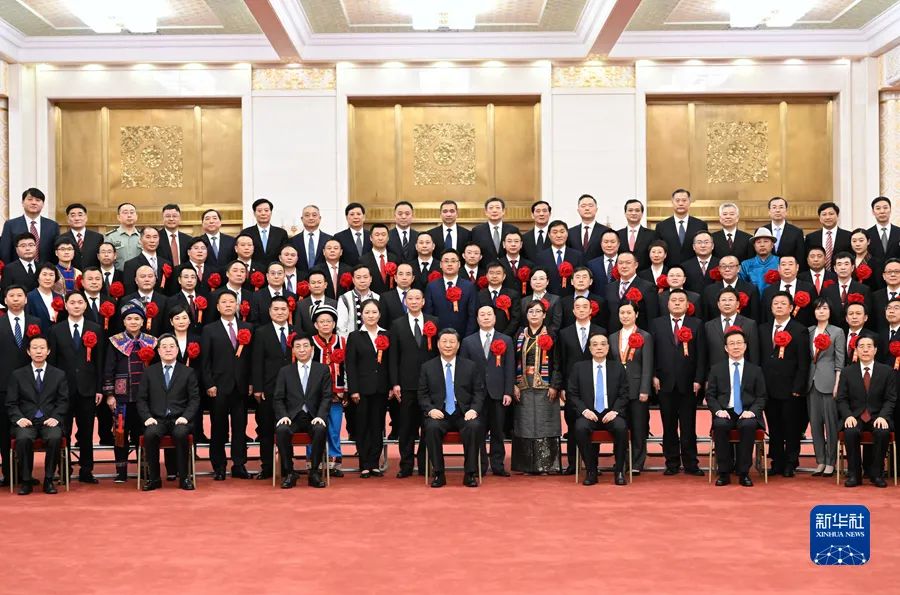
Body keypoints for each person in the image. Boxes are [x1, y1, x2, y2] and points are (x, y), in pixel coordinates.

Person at [47, 291, 104, 484]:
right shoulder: (56, 330)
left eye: (80, 302)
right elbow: (52, 363)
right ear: (66, 305)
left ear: (85, 305)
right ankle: (64, 469)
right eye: (72, 302)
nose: (77, 305)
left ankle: (86, 470)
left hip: (88, 389)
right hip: (63, 390)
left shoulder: (95, 329)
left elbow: (99, 361)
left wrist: (99, 388)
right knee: (63, 431)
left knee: (86, 432)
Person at [418, 328, 486, 488]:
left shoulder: (470, 366)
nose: (448, 345)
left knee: (474, 426)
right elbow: (422, 394)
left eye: (452, 342)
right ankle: (438, 473)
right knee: (431, 427)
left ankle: (470, 473)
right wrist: (430, 410)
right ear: (438, 344)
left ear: (458, 345)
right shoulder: (428, 367)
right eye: (444, 341)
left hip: (463, 413)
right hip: (439, 413)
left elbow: (479, 392)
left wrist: (474, 410)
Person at [651, 288, 707, 476]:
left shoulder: (696, 324)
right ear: (667, 304)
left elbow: (701, 355)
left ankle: (691, 463)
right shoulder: (657, 324)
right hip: (664, 383)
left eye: (680, 300)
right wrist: (653, 375)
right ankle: (672, 462)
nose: (676, 303)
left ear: (687, 304)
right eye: (673, 300)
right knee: (668, 426)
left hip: (689, 383)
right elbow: (652, 352)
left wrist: (699, 379)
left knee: (688, 426)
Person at [200, 290, 254, 481]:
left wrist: (251, 382)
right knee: (218, 428)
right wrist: (209, 384)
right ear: (217, 307)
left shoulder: (248, 327)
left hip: (241, 386)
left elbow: (252, 359)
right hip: (218, 387)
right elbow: (205, 361)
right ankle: (219, 466)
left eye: (232, 301)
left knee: (240, 428)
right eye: (224, 302)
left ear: (238, 305)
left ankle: (239, 464)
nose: (228, 305)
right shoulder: (209, 329)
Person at [103, 299, 158, 483]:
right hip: (121, 398)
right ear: (124, 321)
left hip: (144, 397)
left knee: (143, 433)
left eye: (136, 318)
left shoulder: (151, 341)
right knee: (120, 434)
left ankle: (145, 469)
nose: (133, 321)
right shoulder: (115, 341)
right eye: (129, 318)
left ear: (143, 321)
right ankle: (121, 471)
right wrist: (110, 395)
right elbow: (108, 368)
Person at [136, 333, 200, 491]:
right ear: (158, 351)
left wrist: (186, 417)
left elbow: (194, 399)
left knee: (181, 434)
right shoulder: (149, 372)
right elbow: (141, 399)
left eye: (172, 346)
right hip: (157, 419)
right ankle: (154, 479)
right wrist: (147, 417)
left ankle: (184, 478)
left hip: (180, 419)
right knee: (150, 434)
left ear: (177, 350)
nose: (168, 350)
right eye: (164, 347)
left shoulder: (188, 372)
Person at [6, 335, 68, 495]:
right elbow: (11, 403)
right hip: (26, 421)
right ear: (28, 351)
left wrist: (56, 417)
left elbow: (63, 401)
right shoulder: (17, 375)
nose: (38, 351)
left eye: (42, 348)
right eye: (34, 348)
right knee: (23, 438)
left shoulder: (59, 374)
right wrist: (19, 418)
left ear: (48, 351)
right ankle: (26, 480)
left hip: (49, 420)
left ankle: (49, 479)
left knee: (55, 437)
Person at [706, 328, 767, 487]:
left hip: (746, 412)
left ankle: (743, 472)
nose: (736, 346)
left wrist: (752, 412)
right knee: (720, 425)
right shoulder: (716, 369)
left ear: (745, 346)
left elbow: (761, 396)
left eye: (739, 343)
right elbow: (710, 395)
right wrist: (718, 410)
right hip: (725, 411)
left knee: (748, 425)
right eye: (732, 343)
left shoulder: (755, 370)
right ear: (726, 348)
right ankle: (724, 472)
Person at [568, 333, 630, 485]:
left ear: (608, 347)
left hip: (611, 413)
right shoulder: (579, 367)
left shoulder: (618, 367)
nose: (599, 347)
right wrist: (584, 411)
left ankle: (619, 471)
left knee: (621, 427)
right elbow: (572, 394)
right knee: (580, 427)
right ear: (590, 348)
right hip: (589, 413)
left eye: (603, 344)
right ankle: (591, 471)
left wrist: (615, 411)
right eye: (595, 344)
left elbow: (624, 393)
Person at [759, 291, 810, 477]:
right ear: (771, 307)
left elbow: (803, 362)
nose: (779, 306)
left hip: (790, 388)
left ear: (790, 308)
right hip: (768, 387)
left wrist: (798, 387)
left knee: (791, 427)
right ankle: (777, 461)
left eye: (783, 303)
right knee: (774, 427)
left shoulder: (799, 330)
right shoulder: (763, 329)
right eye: (776, 303)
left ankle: (791, 462)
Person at [460, 305, 515, 476]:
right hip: (476, 395)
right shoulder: (468, 341)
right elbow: (463, 369)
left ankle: (498, 465)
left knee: (498, 431)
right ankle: (479, 465)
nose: (486, 317)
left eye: (489, 314)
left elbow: (509, 368)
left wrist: (508, 391)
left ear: (495, 318)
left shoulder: (505, 340)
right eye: (482, 314)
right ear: (477, 319)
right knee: (478, 431)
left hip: (498, 393)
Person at [388, 290, 437, 477]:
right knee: (407, 427)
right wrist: (395, 383)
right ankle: (406, 465)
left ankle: (425, 464)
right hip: (406, 384)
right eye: (410, 299)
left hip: (430, 384)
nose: (414, 302)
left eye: (417, 298)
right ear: (405, 302)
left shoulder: (434, 321)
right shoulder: (397, 324)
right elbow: (393, 357)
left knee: (428, 426)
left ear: (423, 301)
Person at [836, 336, 896, 488]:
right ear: (856, 350)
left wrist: (883, 416)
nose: (865, 349)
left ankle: (877, 474)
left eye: (869, 346)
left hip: (877, 416)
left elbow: (890, 399)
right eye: (861, 346)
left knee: (882, 432)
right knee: (850, 431)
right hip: (855, 416)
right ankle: (854, 475)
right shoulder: (847, 372)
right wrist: (848, 415)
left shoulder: (887, 371)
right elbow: (841, 399)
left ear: (875, 350)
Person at [274, 334, 331, 489]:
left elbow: (327, 396)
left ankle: (314, 472)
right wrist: (283, 415)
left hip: (313, 417)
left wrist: (320, 416)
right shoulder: (285, 371)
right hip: (292, 417)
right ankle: (289, 472)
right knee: (282, 430)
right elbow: (278, 398)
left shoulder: (322, 370)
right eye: (298, 347)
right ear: (293, 350)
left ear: (312, 349)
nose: (302, 350)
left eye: (305, 346)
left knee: (320, 429)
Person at [512, 300, 562, 474]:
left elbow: (558, 362)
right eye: (531, 311)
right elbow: (512, 361)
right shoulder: (520, 334)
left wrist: (555, 385)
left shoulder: (552, 334)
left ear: (544, 314)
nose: (534, 314)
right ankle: (526, 465)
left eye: (538, 311)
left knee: (545, 422)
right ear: (526, 315)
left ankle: (546, 465)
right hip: (523, 383)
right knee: (524, 423)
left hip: (546, 385)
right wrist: (513, 384)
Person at [557, 296, 606, 474]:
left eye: (585, 306)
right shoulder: (564, 333)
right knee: (572, 426)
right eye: (578, 307)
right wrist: (562, 386)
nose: (581, 310)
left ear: (591, 310)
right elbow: (560, 361)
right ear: (573, 311)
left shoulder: (600, 331)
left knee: (593, 422)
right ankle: (573, 464)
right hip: (572, 388)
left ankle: (593, 464)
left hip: (595, 386)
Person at [0, 285, 41, 486]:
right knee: (3, 430)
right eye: (11, 296)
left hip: (29, 386)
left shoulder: (36, 322)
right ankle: (8, 473)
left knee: (27, 428)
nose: (16, 299)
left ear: (26, 299)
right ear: (5, 300)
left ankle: (26, 473)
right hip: (2, 384)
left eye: (19, 296)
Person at [345, 299, 390, 478]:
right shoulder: (355, 336)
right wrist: (353, 390)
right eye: (367, 312)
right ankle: (364, 463)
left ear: (379, 314)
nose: (371, 316)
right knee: (362, 425)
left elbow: (391, 362)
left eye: (374, 312)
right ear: (361, 315)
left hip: (381, 388)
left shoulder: (386, 334)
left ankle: (375, 463)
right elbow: (350, 365)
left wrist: (390, 385)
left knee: (377, 425)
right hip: (361, 390)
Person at [250, 296, 294, 480]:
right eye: (276, 309)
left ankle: (287, 466)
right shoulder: (261, 332)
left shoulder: (296, 332)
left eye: (283, 309)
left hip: (292, 390)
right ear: (269, 312)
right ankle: (267, 466)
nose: (280, 312)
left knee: (287, 428)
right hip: (268, 389)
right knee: (266, 428)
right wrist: (258, 388)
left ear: (289, 311)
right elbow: (257, 361)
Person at [609, 301, 653, 474]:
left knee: (638, 427)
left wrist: (645, 389)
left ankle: (637, 462)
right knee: (619, 426)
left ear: (636, 314)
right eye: (622, 313)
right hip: (617, 390)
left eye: (629, 312)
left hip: (637, 388)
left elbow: (647, 365)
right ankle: (621, 461)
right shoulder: (612, 337)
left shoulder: (645, 336)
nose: (625, 316)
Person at [806, 298, 845, 478]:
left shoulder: (837, 332)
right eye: (818, 309)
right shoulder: (809, 331)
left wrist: (837, 383)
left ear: (830, 311)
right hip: (811, 382)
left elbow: (839, 360)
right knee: (815, 424)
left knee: (830, 424)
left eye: (825, 308)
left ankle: (831, 461)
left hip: (829, 382)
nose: (821, 311)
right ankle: (820, 460)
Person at [309, 305, 347, 477]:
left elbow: (347, 368)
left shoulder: (342, 342)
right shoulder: (309, 343)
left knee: (334, 429)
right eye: (321, 321)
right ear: (315, 324)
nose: (325, 324)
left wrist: (345, 390)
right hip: (314, 396)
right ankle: (313, 462)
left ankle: (334, 462)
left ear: (334, 324)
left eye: (329, 321)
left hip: (336, 394)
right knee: (314, 427)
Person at [424, 249, 477, 337]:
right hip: (439, 337)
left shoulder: (469, 286)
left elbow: (472, 315)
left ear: (459, 264)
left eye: (453, 261)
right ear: (440, 264)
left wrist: (467, 338)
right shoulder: (432, 287)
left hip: (463, 336)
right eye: (446, 261)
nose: (449, 264)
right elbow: (428, 314)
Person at [0, 188, 60, 264]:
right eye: (30, 199)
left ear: (43, 204)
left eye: (38, 200)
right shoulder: (10, 225)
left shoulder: (53, 226)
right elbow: (5, 252)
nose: (34, 203)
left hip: (46, 269)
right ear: (22, 202)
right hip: (18, 269)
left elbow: (57, 252)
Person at [704, 287, 760, 366]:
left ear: (737, 304)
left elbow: (754, 355)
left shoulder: (749, 324)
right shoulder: (709, 326)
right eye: (723, 300)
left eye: (730, 300)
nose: (727, 303)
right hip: (716, 371)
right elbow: (705, 354)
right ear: (718, 304)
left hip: (741, 370)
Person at [605, 251, 657, 332]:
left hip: (637, 334)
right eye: (620, 263)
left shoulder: (648, 287)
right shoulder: (609, 287)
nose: (624, 266)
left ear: (636, 265)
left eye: (628, 263)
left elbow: (652, 317)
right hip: (614, 335)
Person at [654, 189, 708, 266]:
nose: (681, 203)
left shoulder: (700, 225)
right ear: (672, 202)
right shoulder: (661, 226)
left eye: (684, 200)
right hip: (669, 269)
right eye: (677, 200)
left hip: (694, 268)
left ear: (689, 202)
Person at [536, 220, 584, 297]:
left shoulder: (577, 255)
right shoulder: (540, 257)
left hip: (571, 298)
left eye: (562, 232)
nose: (559, 235)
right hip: (548, 298)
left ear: (567, 233)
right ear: (549, 235)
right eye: (555, 232)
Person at [123, 227, 173, 295]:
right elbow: (130, 292)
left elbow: (170, 290)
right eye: (148, 237)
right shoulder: (131, 265)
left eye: (155, 237)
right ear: (140, 240)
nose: (152, 241)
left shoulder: (166, 263)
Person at [805, 202, 852, 270]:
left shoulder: (848, 236)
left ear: (837, 216)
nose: (828, 217)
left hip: (841, 274)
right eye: (824, 214)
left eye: (831, 214)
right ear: (819, 218)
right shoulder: (811, 237)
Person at [241, 198, 288, 264]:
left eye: (266, 210)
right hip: (254, 269)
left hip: (275, 269)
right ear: (254, 213)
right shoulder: (246, 233)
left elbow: (285, 254)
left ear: (271, 212)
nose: (263, 213)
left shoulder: (281, 233)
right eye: (259, 211)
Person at [471, 197, 519, 262]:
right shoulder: (477, 231)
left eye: (498, 207)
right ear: (486, 212)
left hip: (507, 267)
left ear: (503, 211)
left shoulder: (513, 229)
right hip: (485, 267)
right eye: (491, 208)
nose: (494, 210)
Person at [763, 196, 806, 266]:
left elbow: (801, 258)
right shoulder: (762, 231)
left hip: (788, 270)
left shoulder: (797, 232)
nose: (777, 210)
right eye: (774, 207)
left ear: (786, 211)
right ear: (769, 212)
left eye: (781, 207)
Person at [59, 203, 103, 270]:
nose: (77, 218)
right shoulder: (61, 238)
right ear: (68, 219)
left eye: (80, 215)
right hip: (70, 274)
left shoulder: (98, 237)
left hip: (92, 274)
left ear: (86, 218)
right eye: (73, 215)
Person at [360, 223, 401, 296]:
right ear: (371, 238)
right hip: (371, 299)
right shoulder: (362, 260)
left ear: (388, 238)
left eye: (383, 234)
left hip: (392, 298)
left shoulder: (395, 259)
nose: (380, 238)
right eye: (377, 235)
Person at [292, 205, 332, 275]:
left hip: (324, 278)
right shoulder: (293, 241)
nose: (311, 218)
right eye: (307, 215)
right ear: (302, 219)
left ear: (319, 218)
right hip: (300, 279)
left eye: (314, 215)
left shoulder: (330, 240)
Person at [617, 199, 656, 270]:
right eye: (630, 210)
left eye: (637, 210)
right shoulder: (617, 235)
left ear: (642, 213)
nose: (633, 213)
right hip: (623, 274)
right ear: (625, 213)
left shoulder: (652, 234)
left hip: (644, 274)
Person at [740, 227, 780, 297]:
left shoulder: (780, 262)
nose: (762, 245)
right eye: (758, 242)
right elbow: (742, 286)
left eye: (766, 241)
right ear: (754, 246)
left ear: (772, 245)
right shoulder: (746, 264)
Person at [567, 194, 609, 261]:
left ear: (596, 209)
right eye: (583, 206)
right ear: (578, 210)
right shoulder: (570, 232)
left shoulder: (606, 231)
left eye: (590, 206)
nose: (587, 208)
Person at [26, 263, 65, 332]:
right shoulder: (30, 297)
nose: (48, 278)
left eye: (51, 275)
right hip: (38, 335)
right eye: (44, 274)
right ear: (38, 277)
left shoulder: (59, 297)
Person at [105, 203, 141, 270]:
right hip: (119, 274)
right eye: (125, 213)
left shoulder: (142, 236)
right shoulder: (110, 237)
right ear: (118, 217)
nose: (129, 215)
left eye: (132, 212)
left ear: (136, 216)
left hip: (140, 274)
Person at [334, 202, 371, 267]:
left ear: (364, 217)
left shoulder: (371, 235)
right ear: (346, 217)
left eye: (358, 214)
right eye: (352, 214)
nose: (355, 217)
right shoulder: (338, 237)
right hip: (347, 272)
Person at [866, 196, 900, 261]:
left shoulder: (898, 232)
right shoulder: (867, 234)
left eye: (885, 208)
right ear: (873, 212)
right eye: (878, 208)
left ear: (890, 210)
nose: (882, 211)